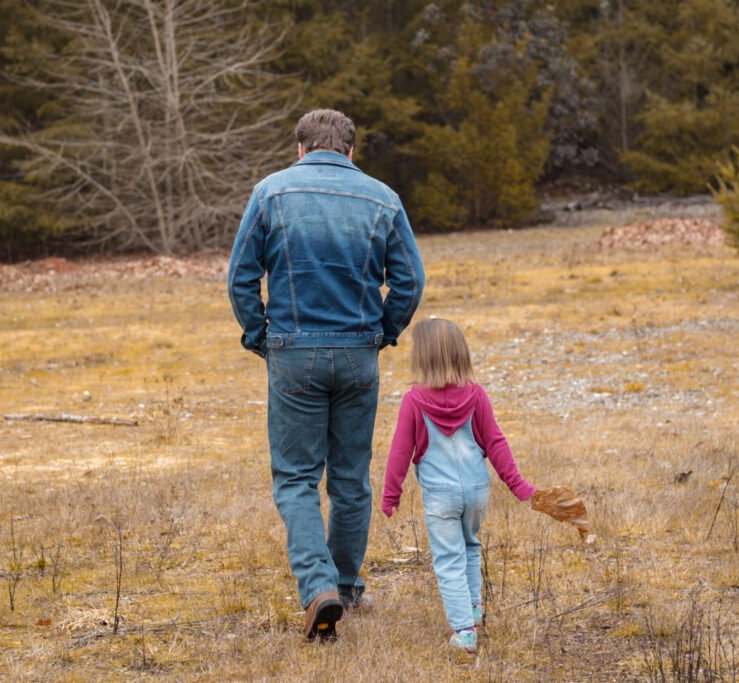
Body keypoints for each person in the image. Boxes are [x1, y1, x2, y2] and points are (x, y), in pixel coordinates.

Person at [228, 109, 425, 641]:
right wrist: (382, 332)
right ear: (351, 152)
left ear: (299, 148)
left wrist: (259, 336)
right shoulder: (383, 198)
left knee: (295, 478)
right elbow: (410, 280)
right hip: (358, 352)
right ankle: (346, 587)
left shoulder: (270, 193)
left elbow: (240, 276)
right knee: (350, 479)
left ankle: (319, 587)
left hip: (294, 351)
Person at [381, 318, 536, 655]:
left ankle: (464, 632)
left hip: (441, 496)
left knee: (448, 559)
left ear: (422, 358)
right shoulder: (477, 395)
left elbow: (400, 451)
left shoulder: (414, 401)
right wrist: (517, 485)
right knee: (469, 546)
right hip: (477, 490)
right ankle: (474, 609)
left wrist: (391, 495)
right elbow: (495, 442)